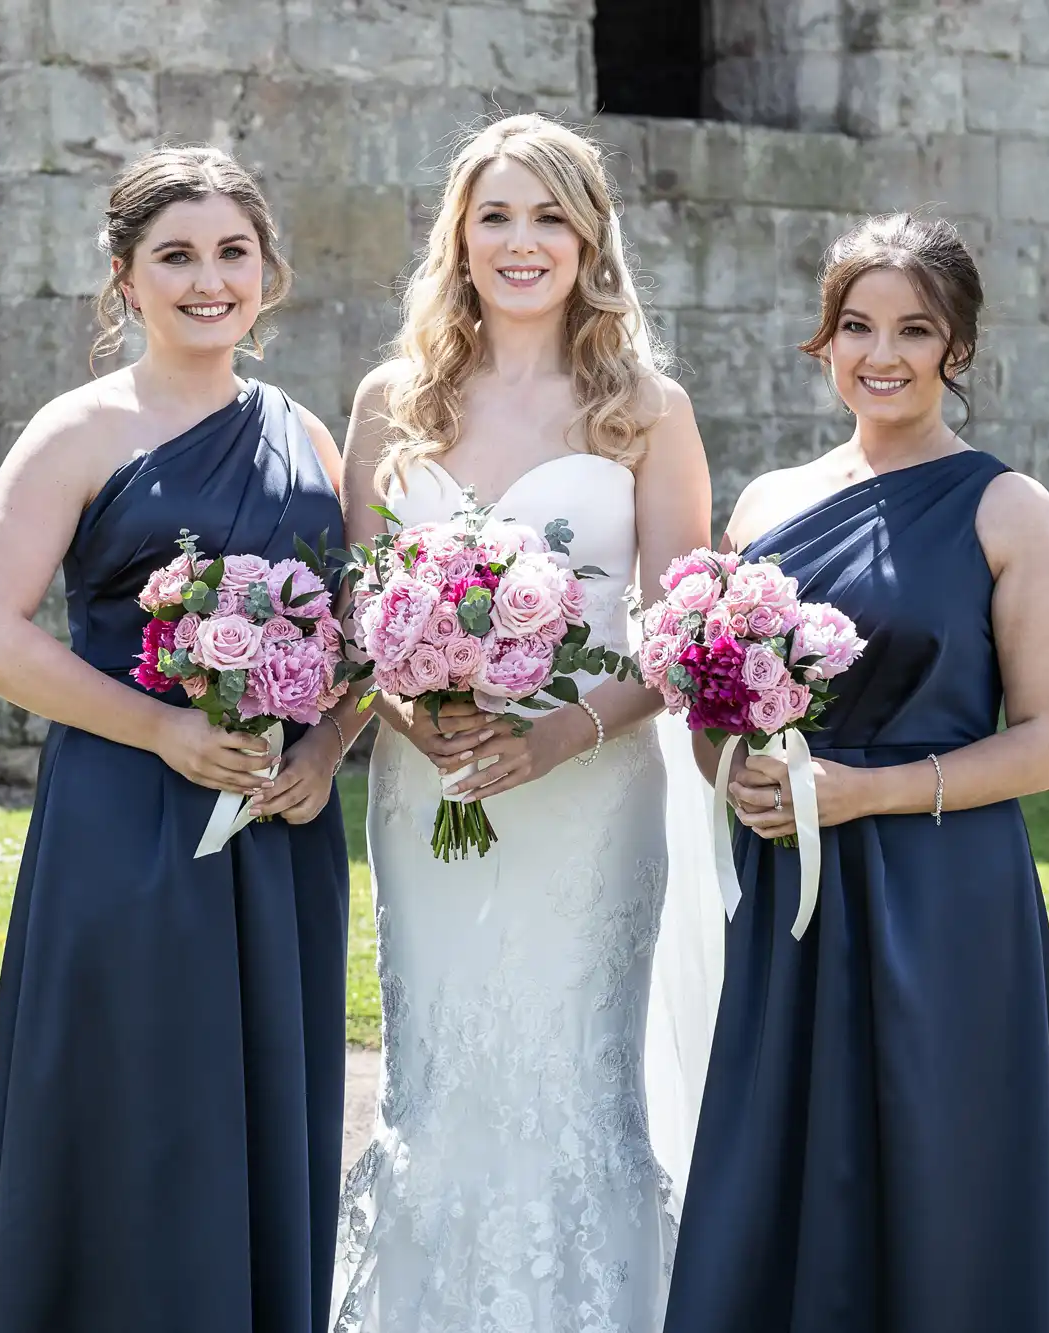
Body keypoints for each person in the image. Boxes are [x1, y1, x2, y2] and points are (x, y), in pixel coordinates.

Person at [0, 145, 360, 1333]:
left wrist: (325, 752)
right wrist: (163, 728)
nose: (207, 279)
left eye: (232, 252)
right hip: (127, 820)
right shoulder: (80, 428)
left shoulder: (306, 435)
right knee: (133, 1108)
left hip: (277, 838)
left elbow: (356, 637)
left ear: (267, 270)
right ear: (124, 278)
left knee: (259, 1111)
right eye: (175, 255)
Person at [662, 213, 1049, 1333]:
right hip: (791, 897)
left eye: (914, 328)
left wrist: (867, 792)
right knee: (785, 1159)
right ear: (823, 339)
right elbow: (715, 704)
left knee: (941, 1170)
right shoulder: (764, 505)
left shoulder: (1009, 510)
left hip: (942, 895)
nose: (882, 353)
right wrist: (735, 772)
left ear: (955, 346)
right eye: (856, 326)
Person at [332, 114, 714, 1333]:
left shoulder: (646, 408)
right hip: (425, 787)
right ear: (458, 237)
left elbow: (679, 634)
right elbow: (356, 611)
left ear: (590, 236)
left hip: (591, 796)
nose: (521, 240)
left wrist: (559, 736)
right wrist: (416, 703)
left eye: (550, 214)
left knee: (571, 1078)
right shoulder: (394, 402)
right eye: (494, 214)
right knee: (437, 1078)